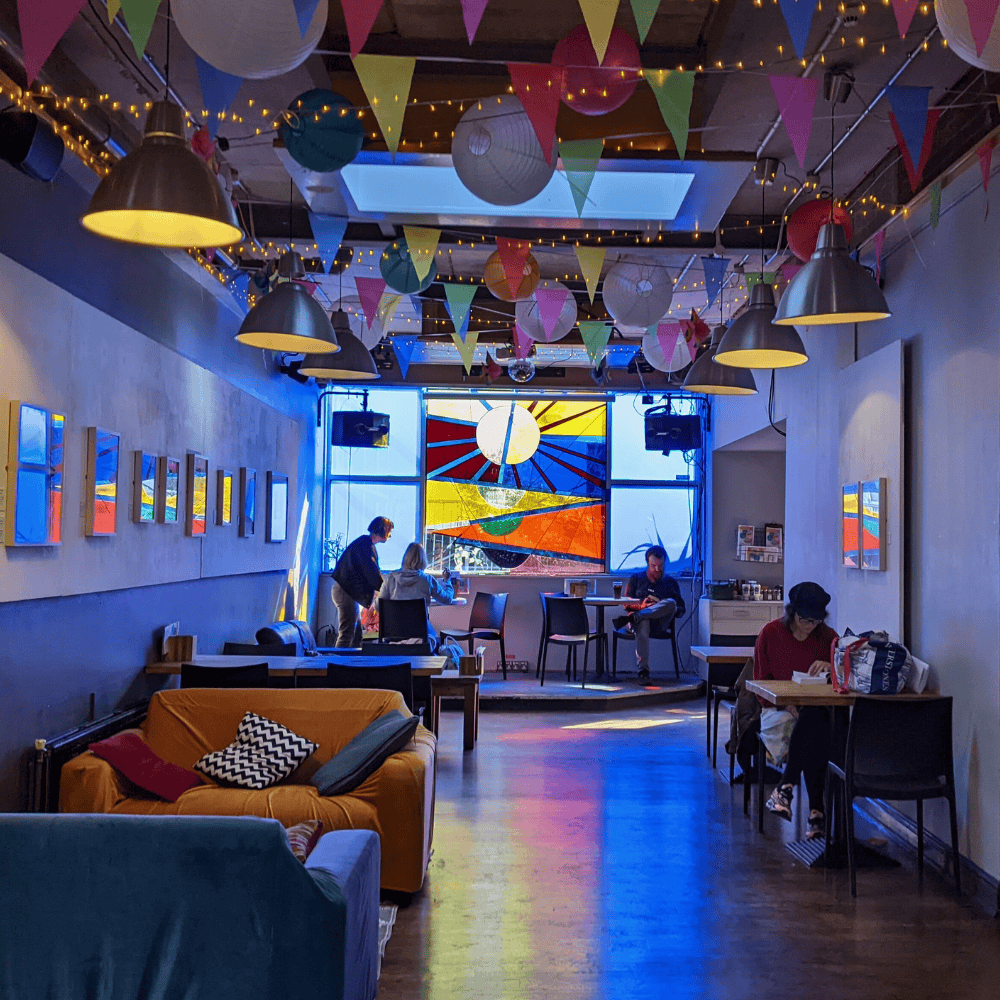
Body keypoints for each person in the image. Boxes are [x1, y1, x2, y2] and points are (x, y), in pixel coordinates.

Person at [755, 581, 839, 839]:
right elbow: (760, 685)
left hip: (814, 711)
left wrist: (830, 666)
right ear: (792, 613)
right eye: (804, 620)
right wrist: (785, 703)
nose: (809, 626)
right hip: (776, 709)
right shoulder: (770, 634)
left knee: (813, 718)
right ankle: (816, 812)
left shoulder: (827, 637)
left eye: (815, 622)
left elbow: (842, 678)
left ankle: (786, 787)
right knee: (814, 730)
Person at [613, 544, 686, 685]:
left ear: (665, 563)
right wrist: (642, 606)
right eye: (653, 566)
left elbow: (681, 609)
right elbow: (625, 603)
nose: (657, 570)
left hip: (660, 623)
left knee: (670, 602)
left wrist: (665, 608)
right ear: (648, 563)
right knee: (643, 622)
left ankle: (639, 615)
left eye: (660, 566)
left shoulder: (671, 582)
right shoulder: (636, 578)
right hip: (638, 624)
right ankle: (643, 672)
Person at [379, 542, 456, 658]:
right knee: (435, 637)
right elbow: (447, 599)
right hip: (420, 635)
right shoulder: (427, 580)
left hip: (392, 634)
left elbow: (377, 606)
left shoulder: (390, 578)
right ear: (423, 560)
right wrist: (447, 582)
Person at [331, 516, 393, 647]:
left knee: (357, 633)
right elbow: (371, 572)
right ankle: (336, 663)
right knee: (347, 633)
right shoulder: (365, 545)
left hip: (345, 592)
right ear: (383, 530)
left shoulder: (365, 543)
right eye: (389, 531)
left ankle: (352, 665)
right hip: (345, 592)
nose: (390, 535)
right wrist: (385, 590)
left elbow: (371, 572)